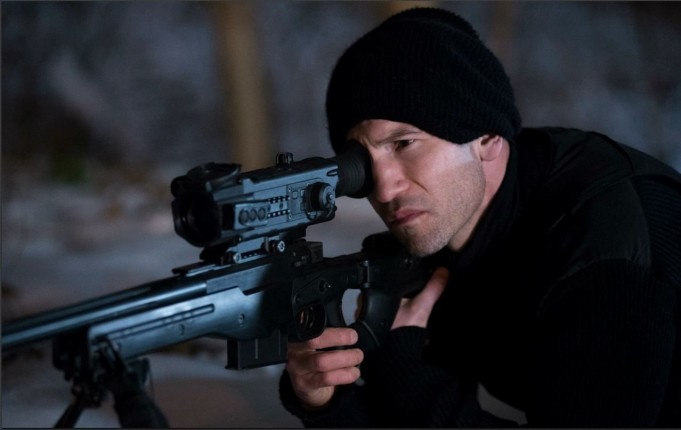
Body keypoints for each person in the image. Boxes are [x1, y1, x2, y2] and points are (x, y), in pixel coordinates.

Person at [278, 6, 681, 428]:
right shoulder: (445, 227)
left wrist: (407, 376)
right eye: (362, 162)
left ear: (487, 137)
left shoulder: (599, 252)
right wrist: (326, 401)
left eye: (404, 143)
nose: (383, 189)